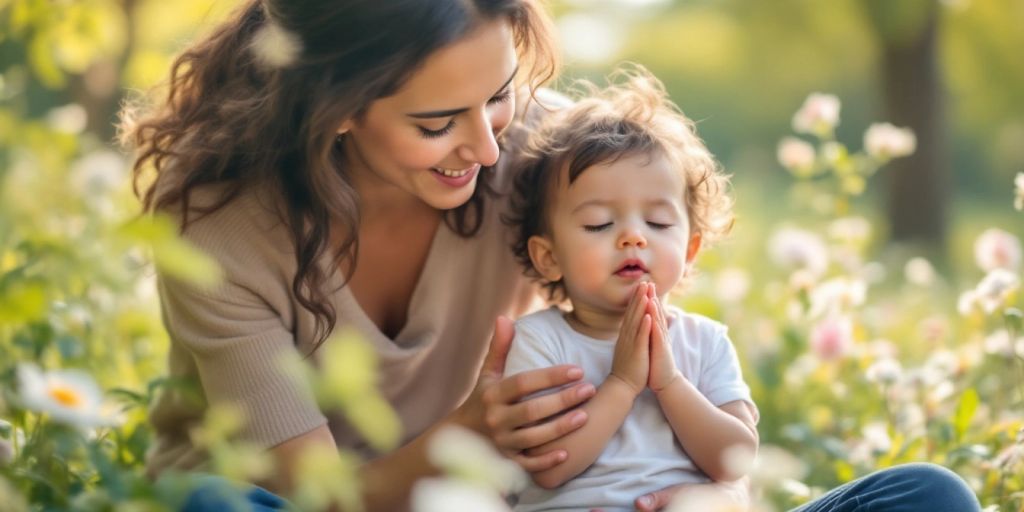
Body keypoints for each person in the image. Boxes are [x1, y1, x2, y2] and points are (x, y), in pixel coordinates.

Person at [119, 0, 982, 511]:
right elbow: (313, 493)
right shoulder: (222, 227)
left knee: (928, 498)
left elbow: (657, 233)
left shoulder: (541, 153)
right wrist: (462, 436)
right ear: (333, 107)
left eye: (497, 97)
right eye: (435, 124)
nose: (489, 152)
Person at [501, 68, 759, 512]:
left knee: (916, 487)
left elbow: (735, 461)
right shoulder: (540, 341)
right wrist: (621, 383)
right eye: (599, 223)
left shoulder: (705, 341)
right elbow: (548, 466)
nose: (634, 237)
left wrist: (670, 383)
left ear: (691, 247)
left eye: (657, 223)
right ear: (549, 257)